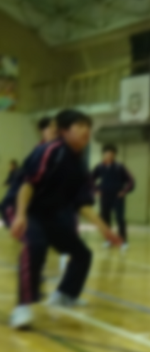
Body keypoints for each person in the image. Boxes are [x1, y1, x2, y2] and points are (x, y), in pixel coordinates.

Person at [9, 109, 121, 330]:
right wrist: (20, 215)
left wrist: (104, 229)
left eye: (88, 126)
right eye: (79, 126)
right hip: (22, 205)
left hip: (48, 214)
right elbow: (28, 184)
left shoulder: (80, 164)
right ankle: (22, 308)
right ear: (64, 131)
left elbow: (82, 203)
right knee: (36, 245)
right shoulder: (50, 151)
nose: (85, 131)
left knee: (82, 254)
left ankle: (63, 296)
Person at [1, 117, 57, 229]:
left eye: (56, 126)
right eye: (50, 126)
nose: (54, 129)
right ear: (42, 131)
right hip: (20, 201)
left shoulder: (59, 150)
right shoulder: (40, 150)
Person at [92, 144, 135, 250]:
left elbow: (131, 181)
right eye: (106, 154)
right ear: (103, 154)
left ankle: (123, 241)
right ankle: (109, 240)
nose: (108, 156)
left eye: (111, 154)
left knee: (120, 218)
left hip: (117, 197)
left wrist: (124, 191)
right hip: (105, 196)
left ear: (114, 155)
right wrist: (96, 190)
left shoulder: (119, 167)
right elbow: (89, 180)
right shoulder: (100, 166)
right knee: (105, 219)